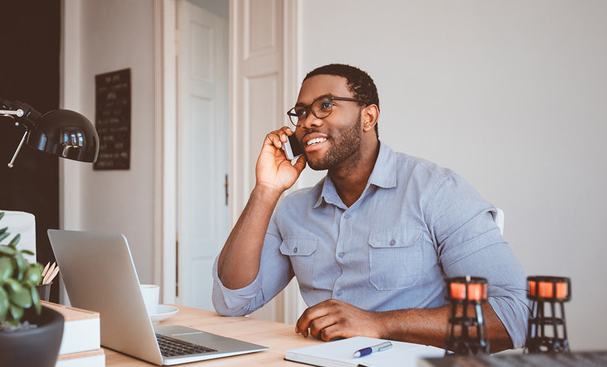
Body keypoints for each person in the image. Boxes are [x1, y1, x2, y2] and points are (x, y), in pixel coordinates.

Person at [212, 63, 529, 352]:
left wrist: (379, 324)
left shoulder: (438, 191)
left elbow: (516, 313)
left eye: (325, 105)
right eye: (301, 112)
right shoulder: (293, 209)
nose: (308, 121)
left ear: (368, 117)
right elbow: (232, 301)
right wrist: (266, 190)